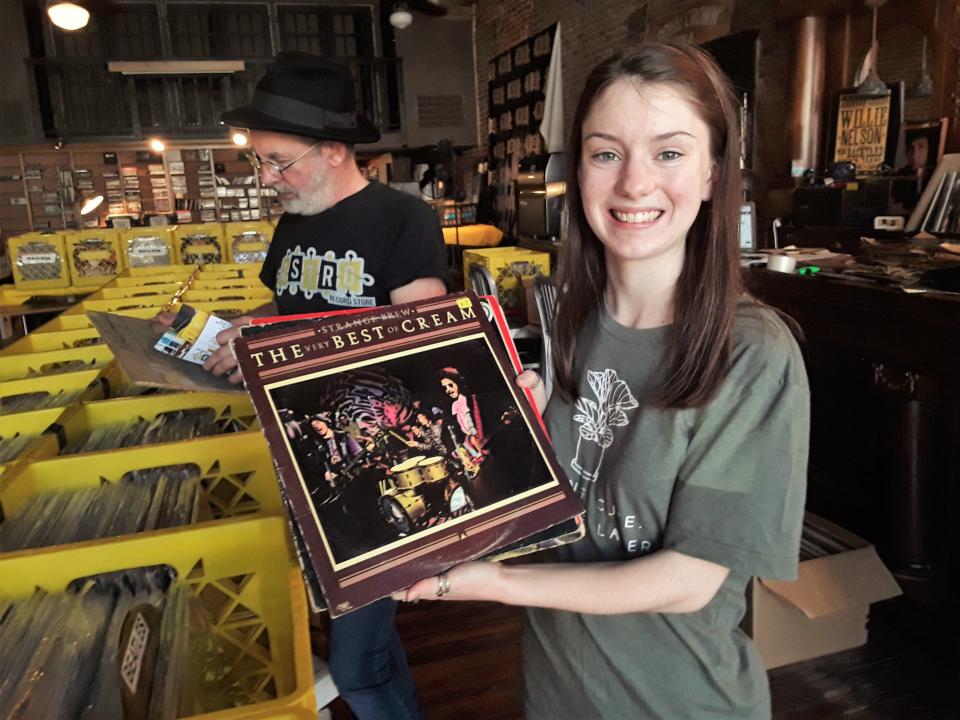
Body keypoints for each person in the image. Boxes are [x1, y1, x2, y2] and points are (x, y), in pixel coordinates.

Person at [397, 42, 809, 720]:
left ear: (711, 172)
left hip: (677, 702)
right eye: (606, 153)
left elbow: (688, 581)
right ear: (578, 171)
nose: (635, 183)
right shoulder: (566, 322)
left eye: (669, 153)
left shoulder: (752, 354)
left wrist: (499, 584)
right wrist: (500, 443)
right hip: (554, 691)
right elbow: (551, 513)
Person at [206, 51, 447, 720]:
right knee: (369, 656)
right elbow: (283, 308)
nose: (266, 179)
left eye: (279, 162)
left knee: (354, 667)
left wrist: (279, 342)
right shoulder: (297, 219)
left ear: (336, 150)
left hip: (376, 461)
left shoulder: (403, 220)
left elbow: (424, 342)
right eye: (259, 162)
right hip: (308, 456)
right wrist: (227, 330)